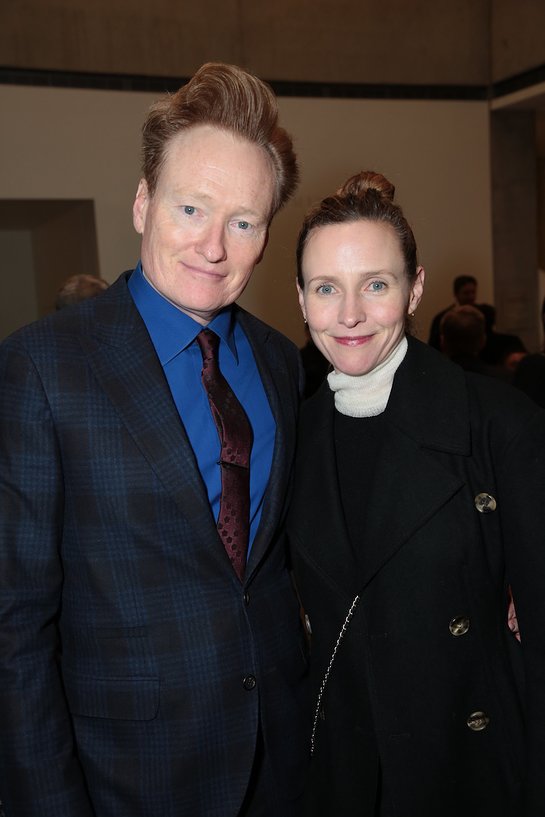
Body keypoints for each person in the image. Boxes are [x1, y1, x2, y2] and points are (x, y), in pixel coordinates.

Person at [0, 62, 308, 817]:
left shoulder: (276, 361)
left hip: (283, 759)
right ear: (143, 204)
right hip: (128, 778)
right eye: (190, 208)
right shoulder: (42, 365)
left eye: (243, 220)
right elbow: (14, 623)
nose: (213, 244)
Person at [287, 170, 545, 816]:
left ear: (414, 289)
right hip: (343, 777)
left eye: (375, 284)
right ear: (299, 299)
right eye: (326, 288)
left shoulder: (497, 424)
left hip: (468, 774)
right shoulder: (292, 432)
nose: (349, 314)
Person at [427, 273, 478, 349]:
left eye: (473, 292)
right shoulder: (442, 318)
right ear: (456, 294)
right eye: (466, 293)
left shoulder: (484, 313)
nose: (471, 297)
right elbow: (433, 346)